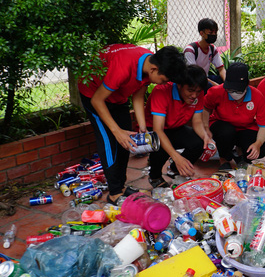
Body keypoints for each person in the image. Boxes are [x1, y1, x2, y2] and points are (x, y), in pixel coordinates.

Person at [78, 44, 186, 204]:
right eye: (163, 80)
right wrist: (116, 131)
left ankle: (121, 186)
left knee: (127, 142)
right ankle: (114, 192)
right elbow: (97, 100)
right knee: (109, 142)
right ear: (154, 70)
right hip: (94, 94)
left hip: (118, 96)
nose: (161, 84)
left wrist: (141, 125)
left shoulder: (149, 63)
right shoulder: (123, 67)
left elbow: (137, 95)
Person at [144, 65, 210, 188]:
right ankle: (155, 176)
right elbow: (158, 130)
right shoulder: (161, 91)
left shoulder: (197, 93)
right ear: (179, 85)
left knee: (199, 142)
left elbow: (197, 122)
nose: (194, 96)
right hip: (156, 129)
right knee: (161, 148)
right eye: (190, 91)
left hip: (176, 126)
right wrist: (176, 156)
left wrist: (205, 137)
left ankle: (174, 168)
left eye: (198, 92)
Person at [202, 62, 265, 171]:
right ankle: (224, 158)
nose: (234, 93)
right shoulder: (217, 92)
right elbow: (205, 108)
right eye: (230, 89)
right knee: (226, 132)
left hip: (245, 128)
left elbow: (264, 126)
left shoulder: (257, 96)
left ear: (246, 85)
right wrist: (205, 127)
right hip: (223, 126)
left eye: (238, 90)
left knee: (263, 147)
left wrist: (258, 144)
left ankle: (241, 154)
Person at [184, 18, 226, 91]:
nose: (213, 35)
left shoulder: (212, 49)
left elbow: (221, 69)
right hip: (193, 80)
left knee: (221, 79)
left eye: (215, 33)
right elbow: (195, 75)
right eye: (210, 33)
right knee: (210, 86)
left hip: (205, 78)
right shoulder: (190, 50)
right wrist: (217, 86)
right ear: (201, 33)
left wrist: (227, 83)